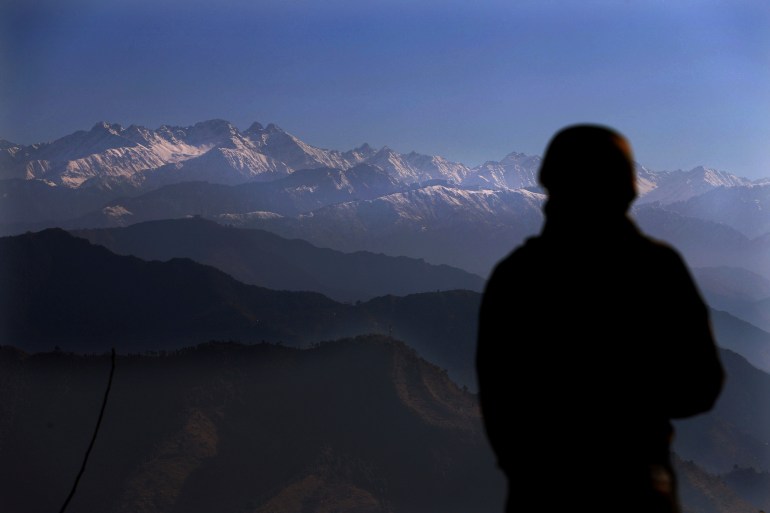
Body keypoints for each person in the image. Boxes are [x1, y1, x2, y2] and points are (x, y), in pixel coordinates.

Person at [476, 124, 724, 513]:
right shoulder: (657, 270)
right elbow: (701, 385)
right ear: (626, 188)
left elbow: (497, 398)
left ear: (551, 186)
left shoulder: (517, 276)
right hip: (639, 492)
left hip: (540, 494)